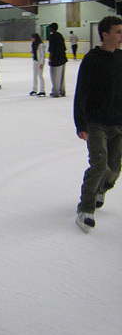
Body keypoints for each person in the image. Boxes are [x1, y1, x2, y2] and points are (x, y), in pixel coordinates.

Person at [74, 16, 122, 233]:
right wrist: (80, 123)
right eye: (118, 31)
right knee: (100, 165)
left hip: (118, 122)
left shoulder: (121, 58)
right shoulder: (91, 60)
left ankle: (102, 187)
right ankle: (86, 209)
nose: (121, 35)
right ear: (105, 34)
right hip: (95, 123)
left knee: (114, 169)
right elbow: (81, 93)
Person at [48, 23, 68, 97]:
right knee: (62, 76)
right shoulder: (60, 35)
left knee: (55, 76)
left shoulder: (52, 36)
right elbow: (64, 47)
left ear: (52, 29)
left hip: (56, 59)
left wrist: (50, 58)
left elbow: (51, 49)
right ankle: (62, 90)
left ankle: (55, 92)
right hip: (63, 58)